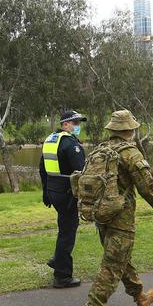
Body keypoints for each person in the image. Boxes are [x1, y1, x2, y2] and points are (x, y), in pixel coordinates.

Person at [81, 110, 153, 306]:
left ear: (112, 130)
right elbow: (147, 186)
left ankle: (141, 297)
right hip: (121, 218)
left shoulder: (100, 150)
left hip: (102, 216)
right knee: (112, 265)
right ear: (130, 131)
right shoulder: (130, 153)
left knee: (121, 259)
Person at [39, 110, 87, 288]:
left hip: (54, 191)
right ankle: (62, 276)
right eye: (75, 123)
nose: (77, 126)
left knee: (64, 228)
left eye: (78, 123)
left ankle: (57, 259)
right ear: (65, 124)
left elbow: (42, 169)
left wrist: (46, 192)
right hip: (68, 194)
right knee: (68, 233)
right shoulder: (70, 144)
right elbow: (82, 173)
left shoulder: (51, 140)